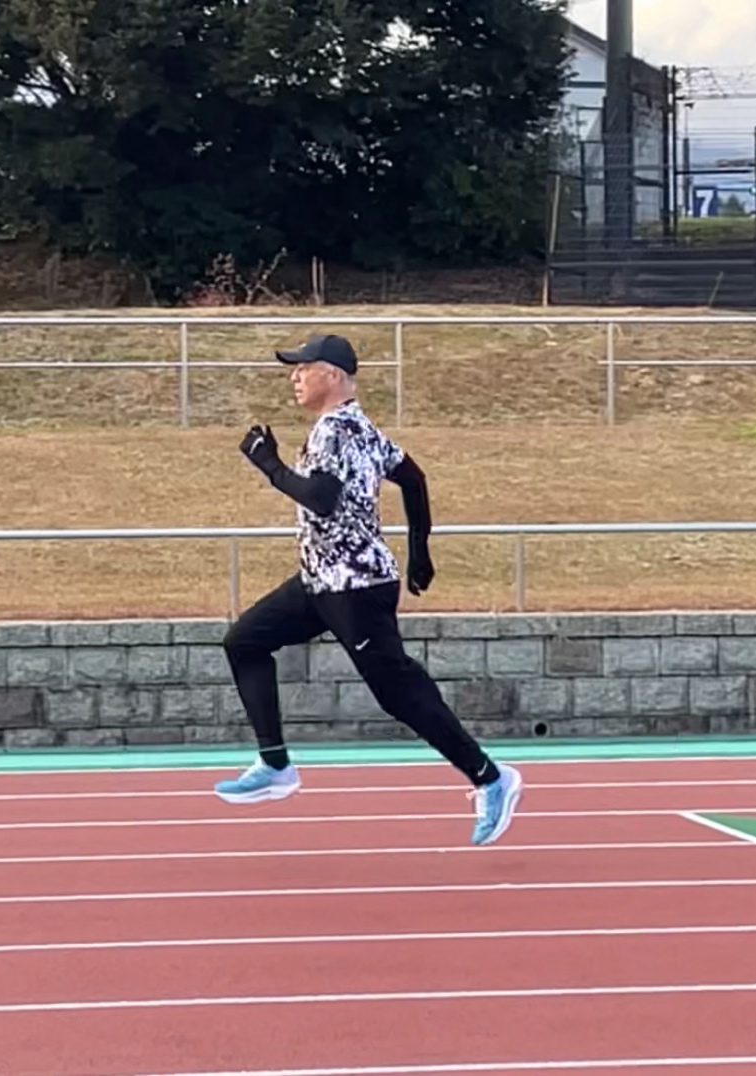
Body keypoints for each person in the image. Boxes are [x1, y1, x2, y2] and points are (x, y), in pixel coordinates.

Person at [213, 332, 523, 846]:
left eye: (303, 367)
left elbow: (322, 498)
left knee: (398, 692)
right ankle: (275, 765)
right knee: (244, 640)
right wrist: (420, 552)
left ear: (332, 375)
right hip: (320, 580)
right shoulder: (358, 426)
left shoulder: (336, 430)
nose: (295, 376)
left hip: (355, 588)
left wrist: (269, 465)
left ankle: (492, 778)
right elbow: (414, 478)